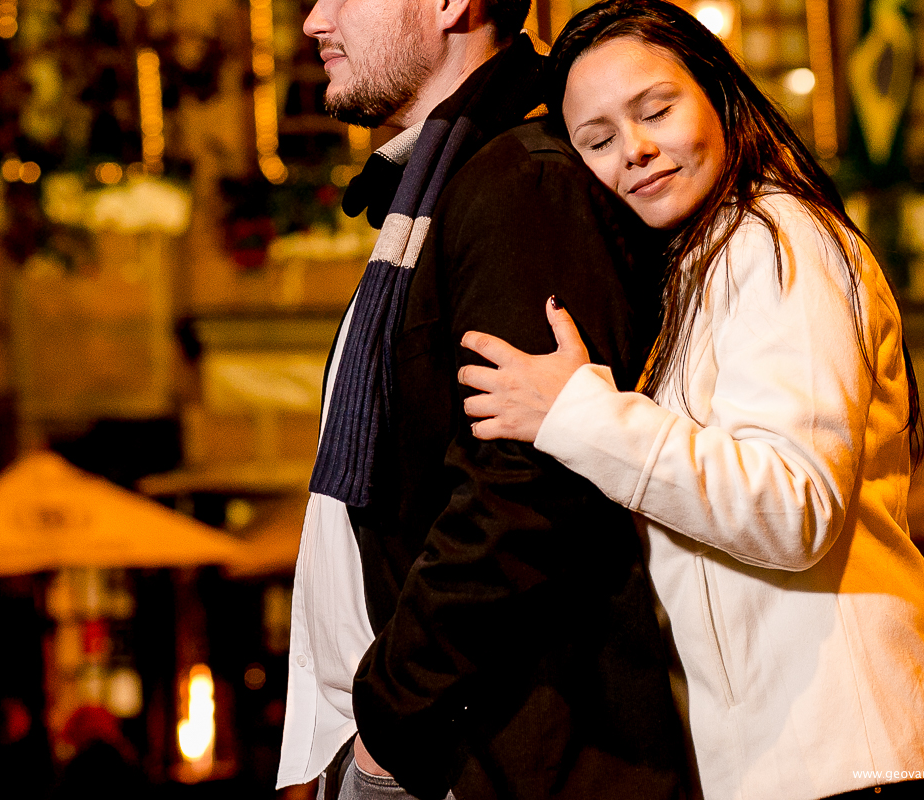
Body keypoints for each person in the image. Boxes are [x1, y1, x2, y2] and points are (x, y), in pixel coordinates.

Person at [458, 2, 924, 798]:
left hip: (857, 764)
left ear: (718, 92)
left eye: (656, 110)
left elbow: (792, 508)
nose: (634, 150)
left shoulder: (776, 239)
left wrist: (575, 413)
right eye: (595, 142)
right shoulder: (698, 266)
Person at [278, 0, 689, 798]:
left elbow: (527, 492)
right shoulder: (461, 181)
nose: (315, 21)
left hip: (484, 755)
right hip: (446, 747)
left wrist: (388, 729)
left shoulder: (522, 184)